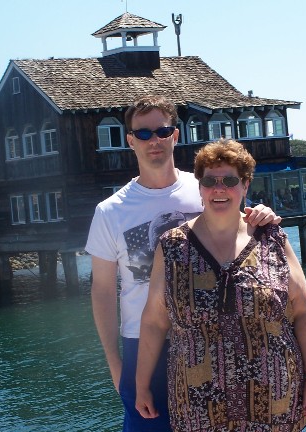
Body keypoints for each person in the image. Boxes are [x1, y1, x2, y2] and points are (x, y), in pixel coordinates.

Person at [85, 96, 281, 432]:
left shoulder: (206, 187)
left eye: (162, 131)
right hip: (142, 344)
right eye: (143, 134)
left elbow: (243, 231)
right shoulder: (110, 211)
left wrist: (263, 214)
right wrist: (115, 364)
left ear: (175, 135)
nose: (154, 140)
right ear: (130, 141)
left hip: (211, 335)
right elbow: (102, 291)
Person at [135, 139, 306, 431]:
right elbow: (153, 321)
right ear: (200, 188)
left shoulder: (271, 238)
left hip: (274, 404)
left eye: (230, 181)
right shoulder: (172, 246)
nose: (219, 189)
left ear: (245, 185)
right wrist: (141, 385)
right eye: (210, 181)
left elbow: (305, 310)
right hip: (198, 408)